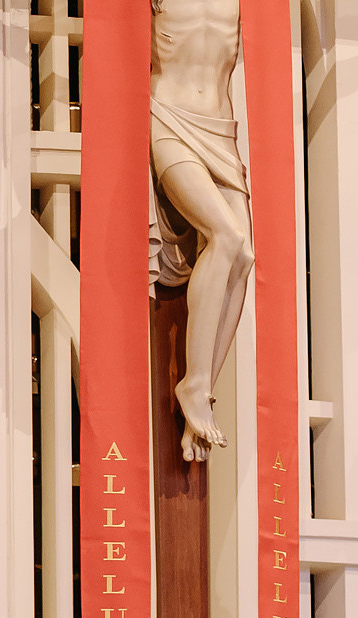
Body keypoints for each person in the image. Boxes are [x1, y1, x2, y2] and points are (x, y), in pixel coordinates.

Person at [148, 0, 250, 461]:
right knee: (226, 236)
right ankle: (194, 385)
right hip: (168, 118)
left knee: (243, 256)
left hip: (221, 130)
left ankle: (200, 395)